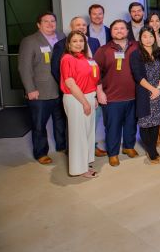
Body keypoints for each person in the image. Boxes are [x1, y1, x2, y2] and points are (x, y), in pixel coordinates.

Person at [18, 12, 67, 164]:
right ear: (39, 24)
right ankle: (41, 153)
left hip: (60, 88)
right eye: (46, 21)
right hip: (40, 91)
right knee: (39, 124)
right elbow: (24, 67)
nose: (50, 24)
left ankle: (62, 146)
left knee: (61, 121)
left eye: (53, 21)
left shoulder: (62, 36)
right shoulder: (30, 41)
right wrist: (30, 89)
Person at [94, 19, 139, 167]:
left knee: (131, 125)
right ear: (111, 32)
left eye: (122, 28)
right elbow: (95, 73)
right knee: (113, 127)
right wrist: (99, 92)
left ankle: (128, 147)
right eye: (115, 29)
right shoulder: (104, 50)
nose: (119, 31)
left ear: (127, 31)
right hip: (112, 97)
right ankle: (113, 154)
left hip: (134, 96)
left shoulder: (136, 46)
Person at [59, 31, 100, 178]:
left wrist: (93, 97)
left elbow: (91, 79)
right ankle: (79, 169)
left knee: (88, 133)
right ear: (69, 44)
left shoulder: (86, 58)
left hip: (88, 97)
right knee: (78, 135)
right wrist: (84, 102)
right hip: (76, 99)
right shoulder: (67, 58)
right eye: (74, 41)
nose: (78, 44)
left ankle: (86, 162)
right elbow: (70, 83)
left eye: (81, 41)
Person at [130, 27, 160, 164]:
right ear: (140, 38)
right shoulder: (136, 54)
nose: (148, 39)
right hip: (144, 92)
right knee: (145, 123)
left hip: (157, 90)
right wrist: (153, 89)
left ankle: (153, 147)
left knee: (156, 122)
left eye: (150, 36)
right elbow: (138, 76)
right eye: (145, 36)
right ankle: (151, 150)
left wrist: (159, 86)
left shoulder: (159, 52)